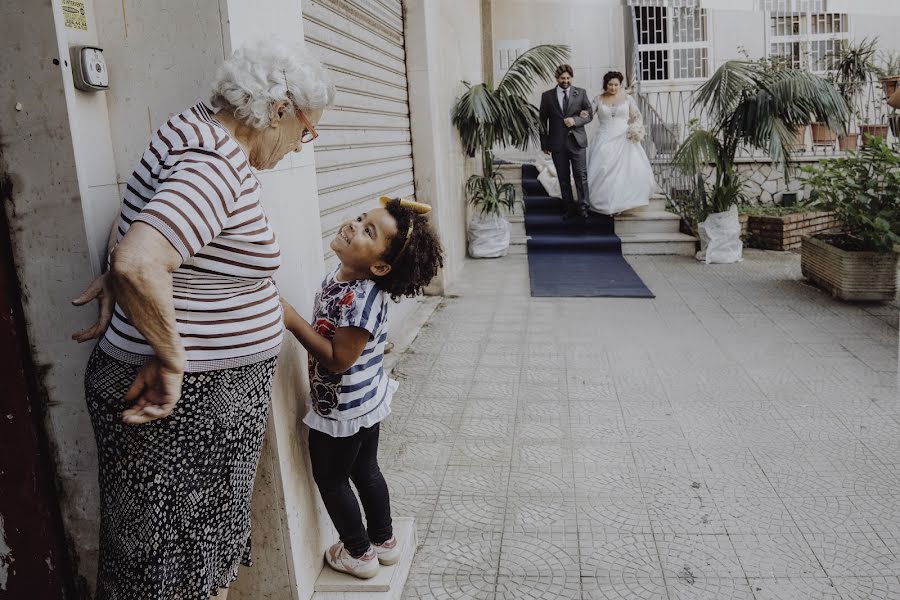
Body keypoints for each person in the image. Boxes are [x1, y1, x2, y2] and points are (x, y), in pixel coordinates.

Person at [71, 39, 334, 600]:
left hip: (204, 406)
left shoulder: (191, 131)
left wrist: (114, 278)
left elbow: (135, 220)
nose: (301, 146)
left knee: (179, 559)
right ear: (281, 109)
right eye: (307, 131)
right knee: (171, 569)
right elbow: (142, 260)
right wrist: (170, 357)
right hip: (185, 405)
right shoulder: (215, 163)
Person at [280, 197, 443, 580]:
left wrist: (291, 320)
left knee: (332, 478)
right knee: (365, 469)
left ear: (380, 266)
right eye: (359, 219)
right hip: (365, 400)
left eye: (368, 231)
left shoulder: (360, 299)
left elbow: (338, 359)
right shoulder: (344, 279)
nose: (353, 226)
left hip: (344, 411)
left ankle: (358, 552)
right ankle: (384, 542)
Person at [582, 70, 656, 215]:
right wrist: (585, 114)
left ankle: (624, 201)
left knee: (625, 171)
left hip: (624, 138)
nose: (613, 88)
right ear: (605, 84)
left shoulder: (628, 99)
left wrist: (635, 129)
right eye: (610, 84)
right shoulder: (598, 99)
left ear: (620, 85)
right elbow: (590, 114)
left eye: (616, 85)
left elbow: (637, 117)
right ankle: (605, 201)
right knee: (604, 169)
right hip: (603, 138)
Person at [538, 64, 593, 220]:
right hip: (557, 143)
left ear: (571, 78)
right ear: (557, 78)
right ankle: (569, 208)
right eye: (563, 78)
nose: (566, 81)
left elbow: (589, 115)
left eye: (568, 78)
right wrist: (544, 143)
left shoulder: (581, 93)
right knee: (563, 177)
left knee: (580, 176)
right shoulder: (547, 96)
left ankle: (583, 207)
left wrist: (575, 120)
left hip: (577, 142)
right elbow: (542, 122)